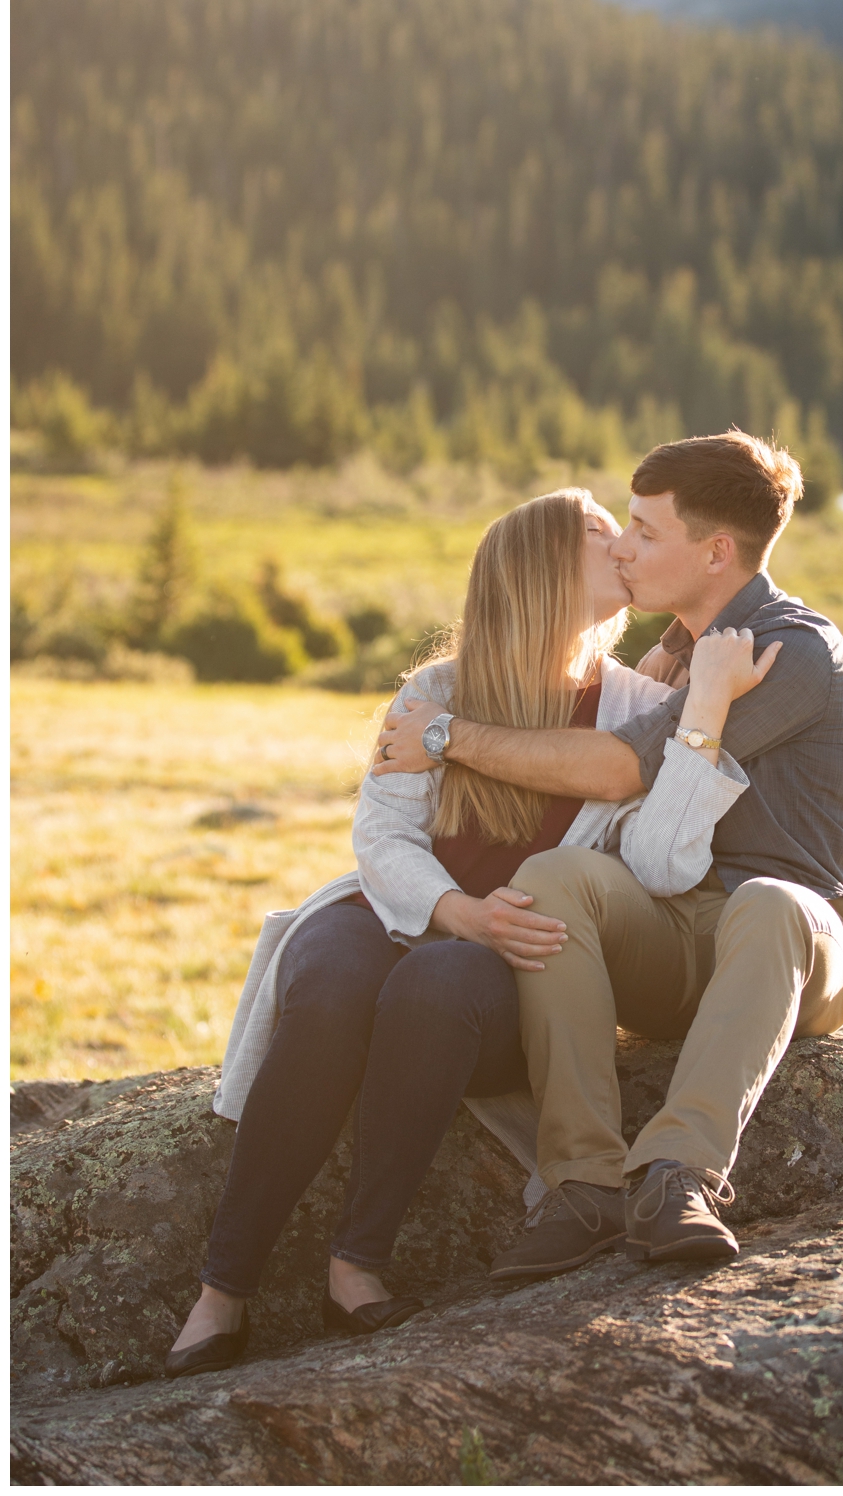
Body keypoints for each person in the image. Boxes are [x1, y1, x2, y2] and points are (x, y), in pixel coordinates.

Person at [168, 489, 768, 1377]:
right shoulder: (436, 690)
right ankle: (222, 1290)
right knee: (330, 984)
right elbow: (382, 838)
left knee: (433, 986)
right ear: (541, 572)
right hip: (400, 913)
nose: (627, 547)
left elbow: (659, 864)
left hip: (509, 963)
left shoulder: (640, 703)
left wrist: (700, 720)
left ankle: (354, 1267)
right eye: (604, 532)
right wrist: (458, 912)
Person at [375, 429, 843, 1279]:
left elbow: (614, 771)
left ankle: (679, 1174)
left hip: (799, 945)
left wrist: (445, 735)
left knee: (768, 900)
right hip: (682, 932)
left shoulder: (787, 651)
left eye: (646, 531)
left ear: (717, 552)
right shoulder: (677, 654)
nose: (623, 547)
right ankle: (583, 1184)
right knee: (553, 880)